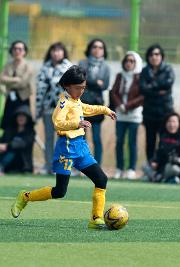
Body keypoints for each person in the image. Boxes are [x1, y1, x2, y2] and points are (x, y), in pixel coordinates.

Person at [11, 65, 116, 229]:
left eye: (83, 87)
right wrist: (77, 123)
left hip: (80, 147)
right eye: (78, 88)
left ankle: (96, 219)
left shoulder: (76, 100)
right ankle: (25, 196)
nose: (81, 91)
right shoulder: (63, 102)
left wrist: (105, 110)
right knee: (60, 191)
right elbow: (57, 122)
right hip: (66, 149)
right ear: (67, 86)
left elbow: (86, 108)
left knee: (101, 179)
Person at [36, 42, 72, 174]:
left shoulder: (69, 67)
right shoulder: (44, 68)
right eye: (53, 50)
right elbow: (40, 90)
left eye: (59, 50)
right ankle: (49, 165)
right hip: (48, 109)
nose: (56, 53)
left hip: (64, 110)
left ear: (63, 52)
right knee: (49, 138)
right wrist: (38, 110)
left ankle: (62, 165)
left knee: (63, 138)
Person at [110, 51, 144, 179]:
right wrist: (120, 105)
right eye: (126, 61)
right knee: (119, 141)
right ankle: (119, 168)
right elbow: (114, 92)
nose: (129, 63)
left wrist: (128, 106)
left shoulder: (140, 77)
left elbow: (142, 96)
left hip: (134, 115)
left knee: (132, 142)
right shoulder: (120, 75)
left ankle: (131, 169)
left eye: (132, 61)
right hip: (120, 114)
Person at [139, 44, 175, 162]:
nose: (154, 57)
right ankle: (150, 166)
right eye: (151, 55)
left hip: (165, 112)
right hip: (149, 112)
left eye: (157, 54)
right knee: (150, 141)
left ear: (162, 56)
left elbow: (168, 84)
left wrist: (151, 87)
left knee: (164, 141)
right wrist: (157, 89)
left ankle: (162, 167)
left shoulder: (168, 69)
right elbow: (143, 89)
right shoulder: (145, 71)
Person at [79, 39, 110, 165]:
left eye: (100, 47)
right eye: (95, 47)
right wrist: (96, 82)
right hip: (82, 104)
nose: (97, 49)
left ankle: (97, 165)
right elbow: (81, 80)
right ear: (90, 49)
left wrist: (90, 82)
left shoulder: (106, 67)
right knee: (81, 138)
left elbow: (105, 85)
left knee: (97, 138)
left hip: (96, 106)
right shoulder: (82, 63)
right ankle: (80, 165)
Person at [142, 112, 180, 184]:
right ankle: (163, 178)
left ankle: (158, 178)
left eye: (174, 122)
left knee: (172, 168)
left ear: (179, 123)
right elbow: (159, 153)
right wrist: (155, 161)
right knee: (145, 165)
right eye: (169, 122)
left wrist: (177, 160)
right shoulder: (164, 137)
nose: (171, 124)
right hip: (164, 168)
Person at [0, 105, 35, 176]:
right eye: (19, 116)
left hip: (22, 163)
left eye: (23, 116)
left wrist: (6, 146)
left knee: (12, 150)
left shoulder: (30, 132)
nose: (21, 118)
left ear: (27, 118)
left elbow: (22, 144)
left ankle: (0, 167)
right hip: (9, 164)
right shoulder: (10, 130)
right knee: (1, 150)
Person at [0, 40, 34, 130]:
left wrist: (9, 82)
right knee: (9, 122)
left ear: (24, 51)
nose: (17, 51)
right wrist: (15, 79)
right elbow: (2, 79)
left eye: (20, 49)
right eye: (15, 49)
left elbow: (23, 82)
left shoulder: (28, 65)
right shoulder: (8, 65)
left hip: (23, 99)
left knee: (23, 123)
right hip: (10, 98)